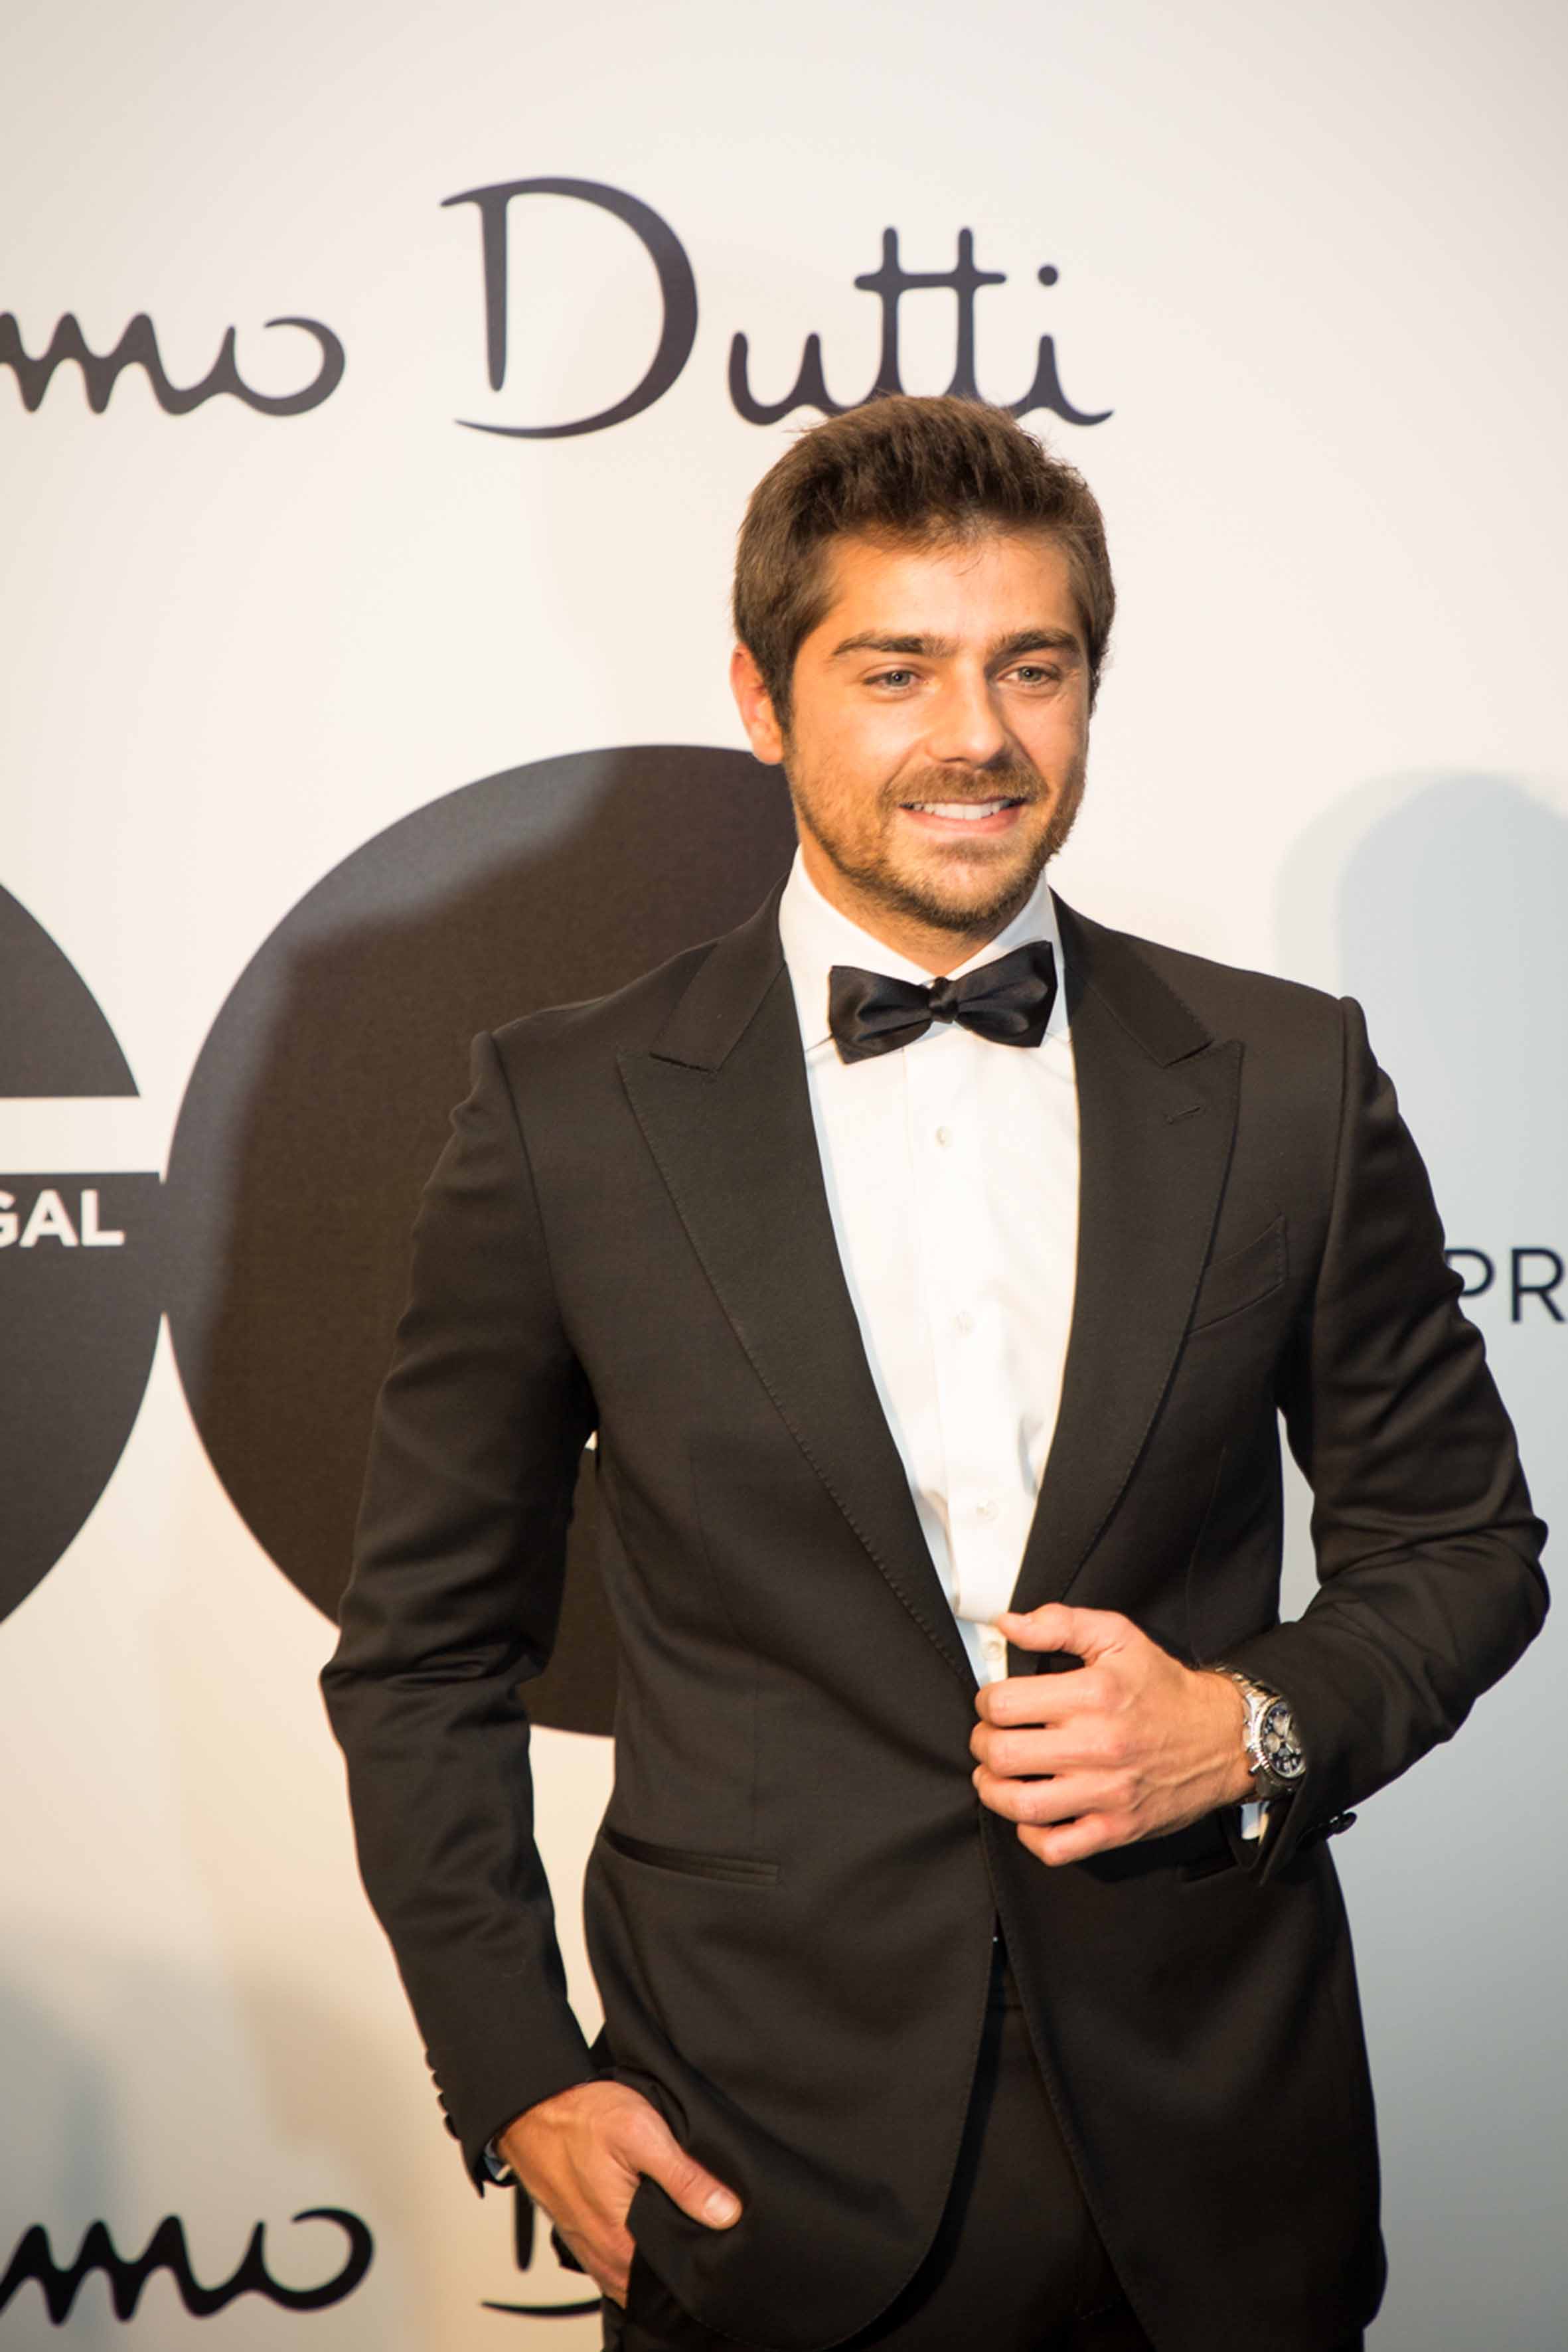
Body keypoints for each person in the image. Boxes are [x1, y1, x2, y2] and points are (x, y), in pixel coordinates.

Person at [320, 395, 1548, 2352]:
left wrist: (1246, 1724)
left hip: (1219, 2156)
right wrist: (517, 2072)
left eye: (1029, 668)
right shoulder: (566, 1113)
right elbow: (424, 1654)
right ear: (761, 697)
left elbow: (1462, 1548)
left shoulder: (1287, 1080)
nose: (976, 735)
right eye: (895, 671)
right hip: (748, 2169)